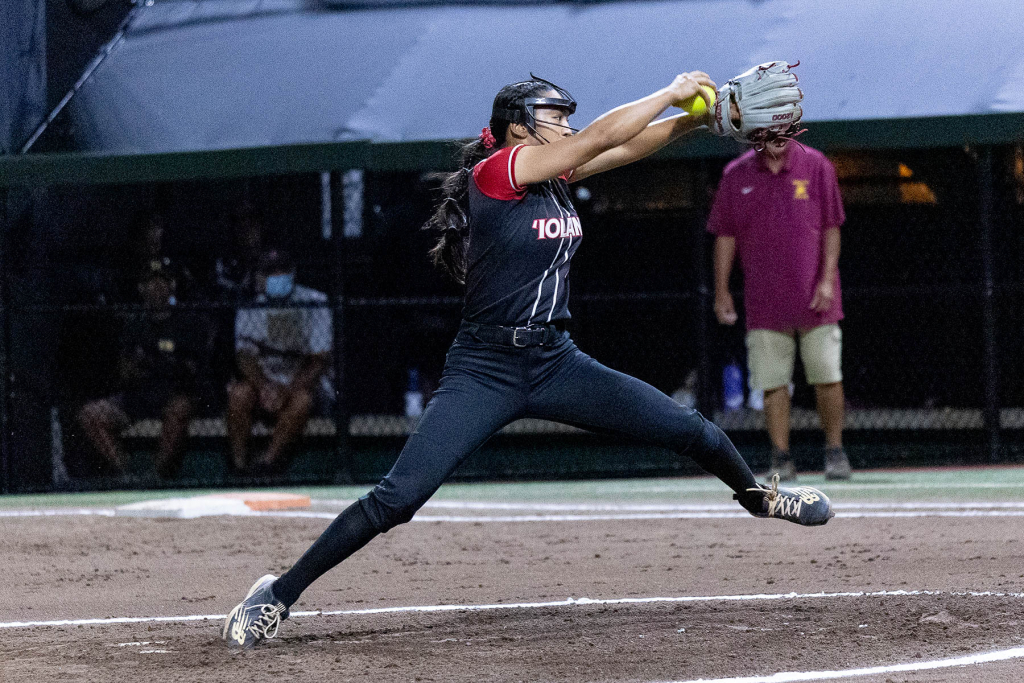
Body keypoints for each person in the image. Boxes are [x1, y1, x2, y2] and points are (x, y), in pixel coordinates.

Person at [222, 72, 834, 649]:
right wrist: (672, 93)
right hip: (485, 367)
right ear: (517, 125)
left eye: (568, 116)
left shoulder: (552, 177)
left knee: (688, 428)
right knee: (395, 500)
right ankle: (275, 594)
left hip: (554, 360)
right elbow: (600, 136)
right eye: (553, 115)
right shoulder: (500, 169)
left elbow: (624, 148)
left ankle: (756, 496)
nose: (567, 124)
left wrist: (697, 123)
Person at [708, 136, 851, 481]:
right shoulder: (734, 175)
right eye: (768, 130)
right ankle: (781, 458)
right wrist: (722, 290)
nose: (777, 138)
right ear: (755, 134)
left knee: (827, 376)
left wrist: (827, 280)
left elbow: (832, 226)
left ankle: (835, 452)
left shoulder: (817, 165)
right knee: (772, 384)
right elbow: (724, 236)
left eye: (785, 128)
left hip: (817, 299)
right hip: (764, 301)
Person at [78, 259, 206, 480]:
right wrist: (155, 362)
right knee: (90, 414)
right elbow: (126, 372)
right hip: (140, 394)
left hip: (174, 392)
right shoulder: (133, 323)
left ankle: (155, 477)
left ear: (172, 286)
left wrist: (156, 361)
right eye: (150, 283)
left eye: (162, 282)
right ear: (141, 288)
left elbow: (191, 369)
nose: (156, 288)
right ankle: (128, 476)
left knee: (179, 408)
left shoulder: (188, 321)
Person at [226, 249, 333, 473]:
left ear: (293, 273)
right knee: (238, 393)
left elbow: (319, 359)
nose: (277, 275)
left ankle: (267, 465)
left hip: (300, 382)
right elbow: (244, 356)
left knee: (302, 400)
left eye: (282, 270)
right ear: (259, 276)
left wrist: (286, 390)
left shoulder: (315, 302)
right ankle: (239, 468)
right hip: (263, 383)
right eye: (270, 271)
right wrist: (266, 386)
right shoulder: (250, 306)